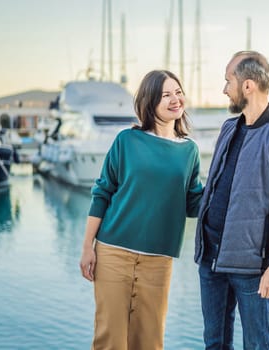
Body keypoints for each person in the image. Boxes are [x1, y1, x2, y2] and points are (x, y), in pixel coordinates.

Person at [79, 70, 203, 350]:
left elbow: (194, 202)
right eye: (166, 95)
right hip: (113, 251)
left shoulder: (190, 151)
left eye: (178, 92)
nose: (175, 99)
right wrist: (88, 246)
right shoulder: (127, 141)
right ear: (150, 102)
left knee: (149, 341)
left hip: (159, 260)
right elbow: (102, 193)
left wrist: (231, 189)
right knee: (110, 339)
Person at [194, 51, 269, 349]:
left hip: (252, 268)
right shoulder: (228, 127)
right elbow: (215, 188)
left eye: (228, 80)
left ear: (247, 85)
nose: (224, 89)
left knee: (256, 344)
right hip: (211, 258)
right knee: (214, 342)